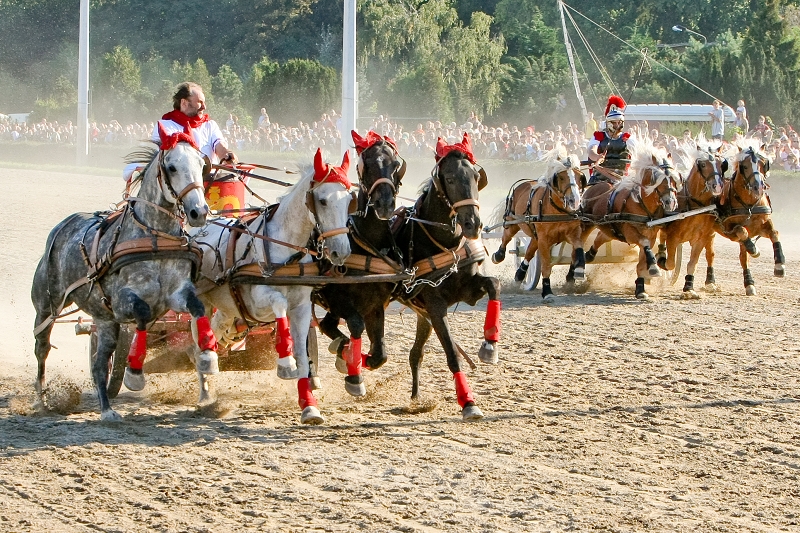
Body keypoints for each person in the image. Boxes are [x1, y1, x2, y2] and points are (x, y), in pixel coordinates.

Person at [123, 82, 237, 182]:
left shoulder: (210, 125)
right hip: (178, 187)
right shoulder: (165, 125)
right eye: (200, 102)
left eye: (204, 102)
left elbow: (220, 146)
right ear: (184, 103)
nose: (204, 107)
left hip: (210, 183)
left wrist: (227, 155)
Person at [587, 95, 633, 184]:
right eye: (614, 123)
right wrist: (597, 156)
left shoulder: (627, 138)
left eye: (619, 122)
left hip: (622, 179)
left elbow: (638, 153)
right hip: (600, 178)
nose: (617, 125)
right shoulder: (598, 136)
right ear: (608, 123)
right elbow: (591, 150)